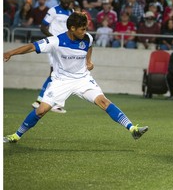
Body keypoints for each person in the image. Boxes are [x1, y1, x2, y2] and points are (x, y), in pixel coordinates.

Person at [3, 12, 148, 144]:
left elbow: (89, 47)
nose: (85, 32)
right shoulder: (55, 41)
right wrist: (10, 53)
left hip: (82, 80)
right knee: (41, 111)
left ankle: (132, 129)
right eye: (82, 29)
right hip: (61, 81)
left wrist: (88, 62)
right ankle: (16, 136)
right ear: (72, 28)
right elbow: (32, 47)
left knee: (103, 101)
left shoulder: (87, 38)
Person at [31, 0, 73, 113]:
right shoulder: (53, 10)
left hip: (65, 48)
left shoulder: (71, 12)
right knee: (54, 72)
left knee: (59, 74)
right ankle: (42, 101)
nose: (66, 0)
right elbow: (43, 27)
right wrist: (53, 38)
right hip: (54, 46)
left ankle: (50, 102)